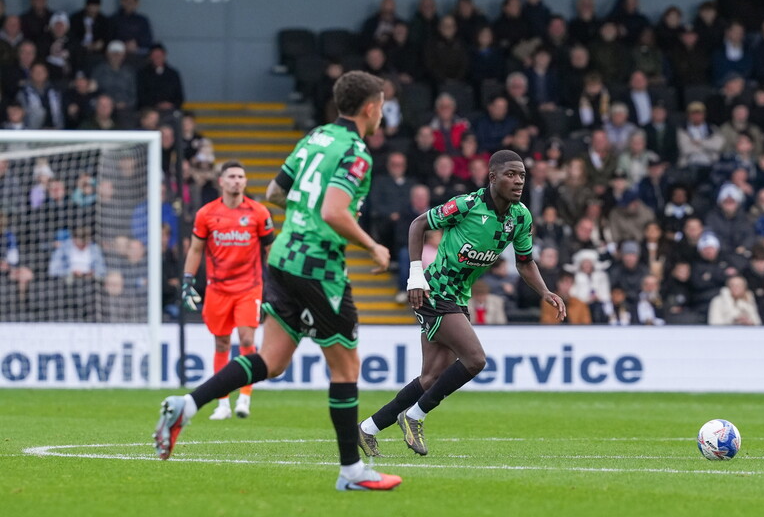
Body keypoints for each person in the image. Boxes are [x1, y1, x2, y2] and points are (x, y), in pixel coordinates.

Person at [153, 71, 401, 493]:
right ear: (370, 107)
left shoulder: (315, 138)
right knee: (347, 366)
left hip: (283, 257)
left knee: (272, 360)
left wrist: (309, 210)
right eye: (381, 105)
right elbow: (334, 213)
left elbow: (273, 192)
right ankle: (352, 471)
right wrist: (373, 246)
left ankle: (187, 405)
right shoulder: (356, 150)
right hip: (318, 266)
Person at [357, 150, 566, 457]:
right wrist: (416, 275)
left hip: (457, 297)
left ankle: (369, 428)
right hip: (433, 292)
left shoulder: (520, 217)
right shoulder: (468, 205)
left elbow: (524, 262)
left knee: (430, 377)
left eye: (522, 175)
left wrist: (545, 292)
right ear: (493, 177)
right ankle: (415, 416)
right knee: (475, 359)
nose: (518, 181)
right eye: (511, 174)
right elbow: (418, 225)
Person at [180, 161, 274, 420]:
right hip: (217, 289)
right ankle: (222, 403)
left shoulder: (258, 213)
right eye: (231, 176)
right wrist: (188, 280)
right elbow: (196, 249)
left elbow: (269, 251)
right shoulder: (206, 214)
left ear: (245, 182)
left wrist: (276, 284)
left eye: (240, 177)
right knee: (221, 342)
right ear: (221, 181)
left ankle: (244, 398)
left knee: (246, 340)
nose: (236, 181)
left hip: (249, 287)